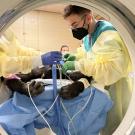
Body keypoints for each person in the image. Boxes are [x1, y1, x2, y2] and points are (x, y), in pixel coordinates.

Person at [61, 5, 132, 135]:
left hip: (115, 87)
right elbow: (91, 55)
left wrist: (77, 65)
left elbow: (109, 69)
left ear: (88, 18)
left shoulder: (108, 34)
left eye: (75, 24)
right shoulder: (89, 35)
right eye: (71, 26)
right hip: (102, 87)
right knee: (102, 125)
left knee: (114, 126)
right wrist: (75, 56)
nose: (73, 29)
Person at [0, 29, 62, 103]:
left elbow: (20, 50)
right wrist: (39, 60)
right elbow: (5, 64)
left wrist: (41, 54)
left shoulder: (6, 30)